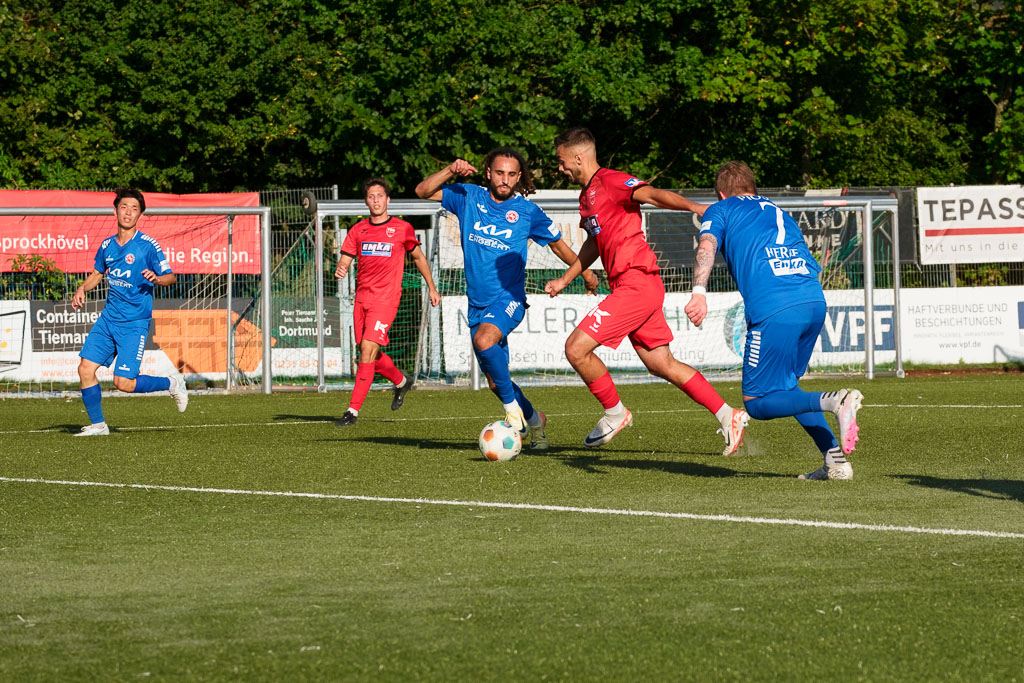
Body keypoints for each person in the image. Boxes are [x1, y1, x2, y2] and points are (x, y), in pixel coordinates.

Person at [545, 127, 748, 452]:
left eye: (561, 161)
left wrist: (696, 207)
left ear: (578, 157)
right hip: (636, 286)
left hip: (636, 283)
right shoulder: (586, 197)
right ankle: (728, 416)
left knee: (576, 349)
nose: (560, 168)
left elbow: (652, 194)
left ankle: (615, 414)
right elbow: (594, 244)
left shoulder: (610, 181)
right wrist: (566, 279)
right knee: (661, 363)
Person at [683, 160, 863, 480]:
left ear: (722, 193)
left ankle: (835, 400)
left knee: (756, 403)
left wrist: (699, 291)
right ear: (753, 187)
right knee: (787, 389)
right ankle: (835, 460)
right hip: (813, 302)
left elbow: (706, 246)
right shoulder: (780, 211)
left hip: (774, 310)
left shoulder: (721, 210)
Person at [415, 147, 599, 449]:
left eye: (512, 174)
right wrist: (451, 170)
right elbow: (423, 191)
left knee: (484, 341)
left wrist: (585, 272)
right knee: (495, 383)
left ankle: (514, 415)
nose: (505, 179)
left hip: (509, 299)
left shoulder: (527, 211)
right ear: (489, 172)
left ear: (519, 177)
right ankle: (535, 420)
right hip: (477, 304)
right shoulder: (468, 197)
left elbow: (557, 245)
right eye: (500, 173)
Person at [71, 188, 188, 436]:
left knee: (122, 383)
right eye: (124, 207)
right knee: (85, 369)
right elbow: (97, 273)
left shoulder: (148, 246)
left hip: (134, 323)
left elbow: (171, 277)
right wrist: (82, 288)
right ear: (115, 210)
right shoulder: (107, 246)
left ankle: (172, 383)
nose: (128, 212)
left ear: (140, 215)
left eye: (134, 209)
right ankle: (99, 425)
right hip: (108, 320)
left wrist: (157, 278)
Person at [334, 178, 442, 426]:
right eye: (371, 196)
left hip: (386, 299)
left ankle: (352, 411)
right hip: (362, 298)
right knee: (365, 351)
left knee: (368, 351)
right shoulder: (358, 230)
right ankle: (402, 381)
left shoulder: (402, 228)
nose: (376, 200)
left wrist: (432, 288)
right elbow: (345, 259)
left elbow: (418, 258)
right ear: (366, 201)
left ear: (388, 200)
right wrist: (341, 269)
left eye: (380, 196)